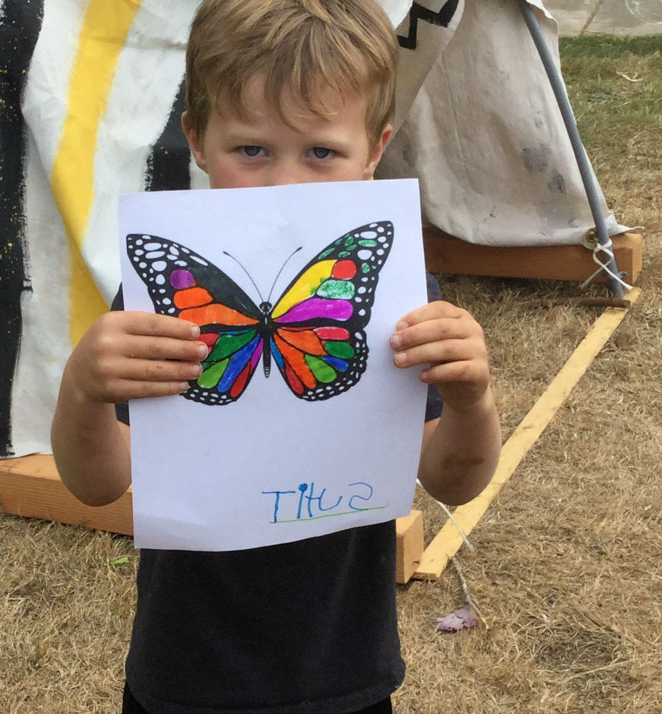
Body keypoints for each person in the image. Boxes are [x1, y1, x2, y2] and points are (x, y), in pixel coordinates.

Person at [51, 1, 502, 711]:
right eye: (252, 150)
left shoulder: (396, 298)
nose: (286, 182)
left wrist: (474, 401)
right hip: (186, 674)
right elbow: (97, 483)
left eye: (321, 152)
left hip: (343, 674)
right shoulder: (164, 302)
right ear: (197, 139)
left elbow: (452, 480)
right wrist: (82, 389)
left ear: (375, 149)